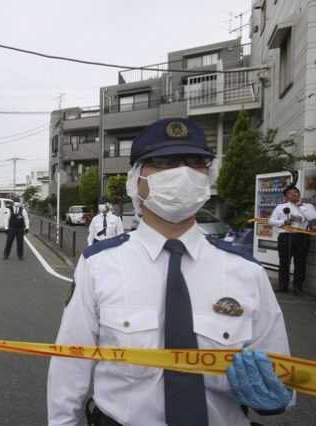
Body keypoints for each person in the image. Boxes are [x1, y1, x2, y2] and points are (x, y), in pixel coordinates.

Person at [48, 117, 293, 426]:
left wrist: (278, 393)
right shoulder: (99, 265)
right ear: (136, 179)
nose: (182, 172)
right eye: (163, 161)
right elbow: (71, 366)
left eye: (196, 162)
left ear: (208, 175)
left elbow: (282, 373)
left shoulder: (246, 271)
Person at [268, 184, 316, 297]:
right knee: (284, 262)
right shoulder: (281, 207)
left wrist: (300, 206)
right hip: (285, 237)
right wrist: (284, 222)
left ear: (299, 194)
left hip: (302, 236)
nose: (293, 194)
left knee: (300, 263)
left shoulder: (308, 206)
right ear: (286, 197)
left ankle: (297, 287)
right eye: (290, 193)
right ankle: (283, 285)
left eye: (295, 192)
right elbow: (271, 221)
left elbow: (312, 219)